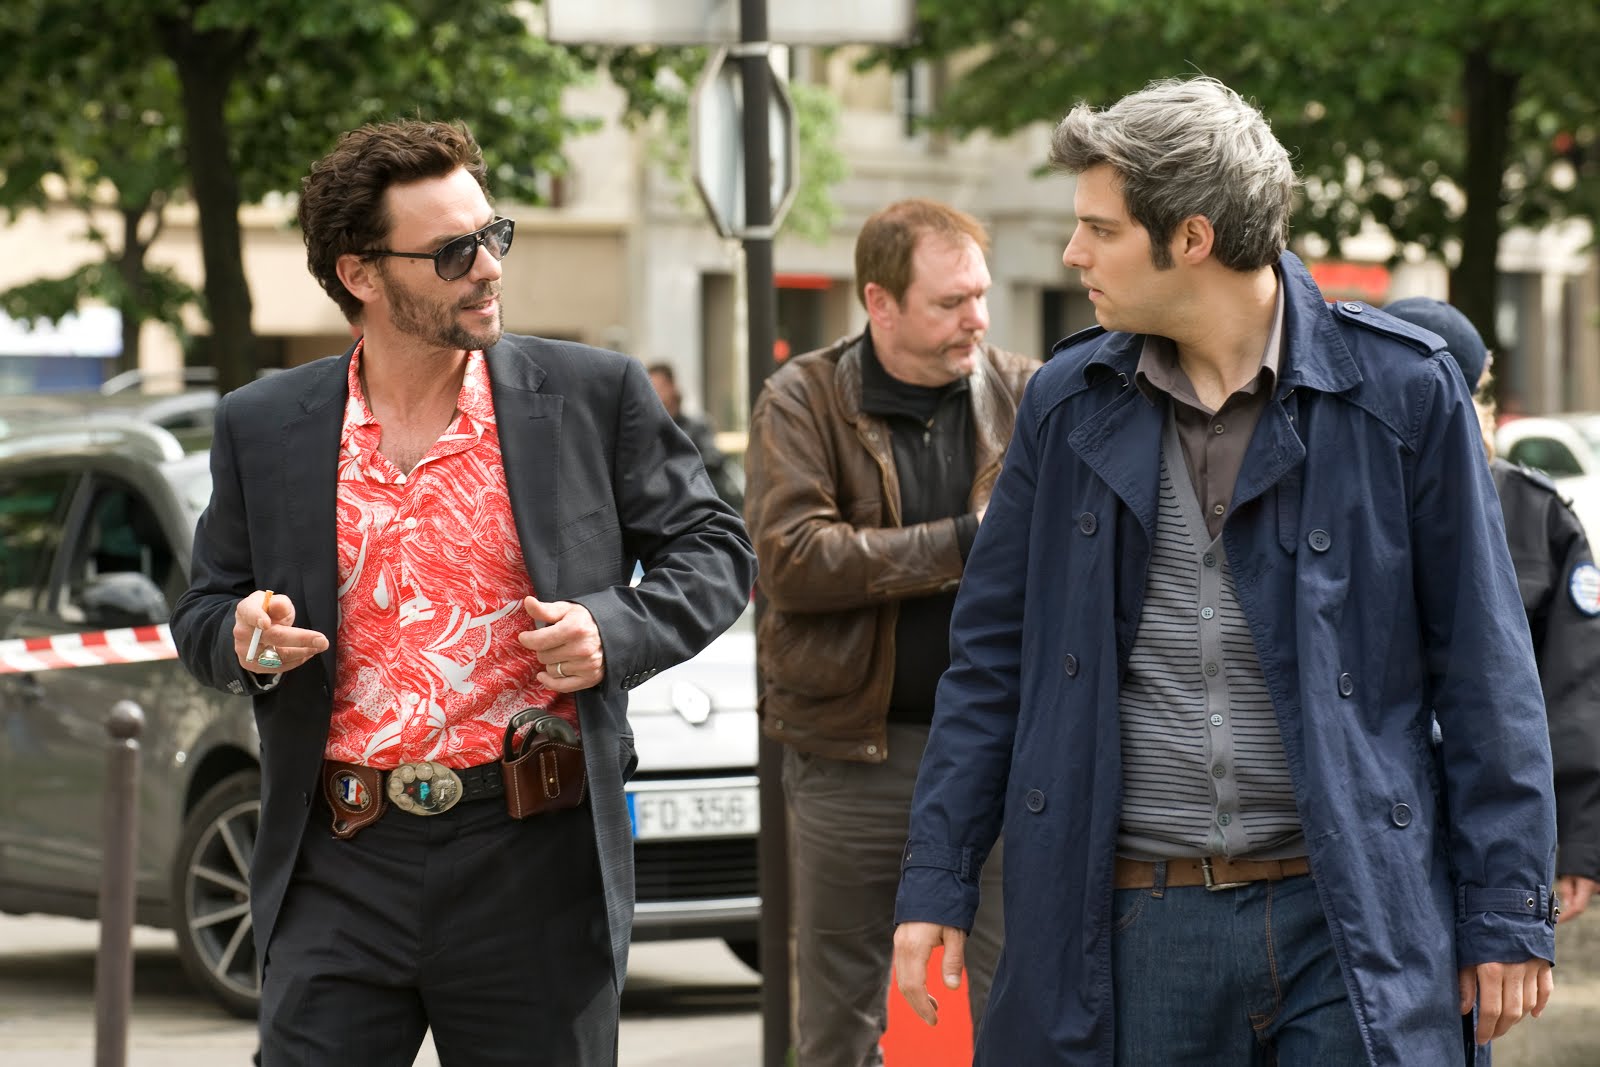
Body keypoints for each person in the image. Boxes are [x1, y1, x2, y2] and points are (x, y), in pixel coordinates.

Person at [891, 77, 1558, 1065]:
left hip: (1351, 923)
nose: (1073, 253)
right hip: (1133, 926)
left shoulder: (1405, 392)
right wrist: (936, 880)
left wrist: (1506, 905)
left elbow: (1485, 670)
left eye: (1100, 229)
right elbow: (990, 661)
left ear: (1192, 238)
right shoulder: (1066, 405)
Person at [170, 118, 755, 1065]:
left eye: (493, 235)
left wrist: (613, 627)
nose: (488, 266)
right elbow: (201, 609)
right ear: (361, 274)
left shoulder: (592, 394)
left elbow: (716, 548)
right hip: (338, 858)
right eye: (452, 252)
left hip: (533, 860)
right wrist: (241, 636)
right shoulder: (265, 423)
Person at [744, 197, 1037, 1064]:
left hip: (999, 753)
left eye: (980, 295)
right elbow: (793, 560)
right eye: (950, 302)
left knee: (1018, 1005)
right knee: (838, 1027)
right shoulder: (801, 397)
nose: (976, 319)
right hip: (851, 755)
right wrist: (966, 542)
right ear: (880, 302)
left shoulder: (1027, 393)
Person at [1385, 296, 1600, 924]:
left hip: (1494, 839)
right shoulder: (1340, 501)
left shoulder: (1537, 512)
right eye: (1474, 390)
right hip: (1374, 835)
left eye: (1481, 391)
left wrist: (1580, 841)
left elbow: (1576, 690)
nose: (1482, 410)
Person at [648, 362, 741, 507]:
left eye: (660, 387)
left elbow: (713, 459)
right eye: (651, 388)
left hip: (697, 504)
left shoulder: (697, 426)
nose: (656, 394)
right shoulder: (647, 431)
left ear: (672, 387)